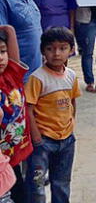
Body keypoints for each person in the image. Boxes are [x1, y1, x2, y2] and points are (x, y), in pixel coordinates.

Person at [25, 27, 80, 203]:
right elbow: (28, 108)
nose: (56, 53)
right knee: (37, 184)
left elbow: (72, 101)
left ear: (71, 50)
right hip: (43, 141)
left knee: (62, 182)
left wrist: (71, 124)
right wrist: (36, 138)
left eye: (63, 48)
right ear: (43, 51)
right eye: (50, 48)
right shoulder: (38, 78)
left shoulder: (71, 76)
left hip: (66, 140)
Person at [0, 25, 32, 202]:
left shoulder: (12, 74)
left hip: (18, 150)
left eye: (2, 51)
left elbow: (14, 56)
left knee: (21, 190)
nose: (0, 58)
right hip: (2, 161)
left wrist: (9, 30)